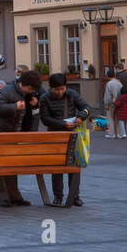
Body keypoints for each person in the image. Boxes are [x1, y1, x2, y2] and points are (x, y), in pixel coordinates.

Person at [0, 69, 43, 206]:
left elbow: (30, 114)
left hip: (10, 133)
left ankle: (14, 195)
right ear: (25, 85)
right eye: (30, 89)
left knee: (10, 165)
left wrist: (34, 105)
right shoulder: (6, 91)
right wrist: (14, 106)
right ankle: (2, 197)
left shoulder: (25, 94)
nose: (30, 91)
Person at [39, 74, 89, 205]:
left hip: (72, 135)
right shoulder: (44, 98)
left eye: (62, 89)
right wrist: (62, 124)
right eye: (57, 89)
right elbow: (45, 119)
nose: (60, 92)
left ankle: (74, 196)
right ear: (51, 88)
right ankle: (58, 196)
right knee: (57, 168)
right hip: (55, 135)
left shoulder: (72, 94)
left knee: (73, 166)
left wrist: (81, 117)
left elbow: (86, 108)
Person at [103, 69, 122, 138]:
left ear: (108, 76)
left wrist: (106, 103)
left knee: (110, 118)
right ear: (114, 75)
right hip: (119, 102)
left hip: (111, 102)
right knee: (118, 118)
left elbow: (107, 95)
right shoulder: (119, 83)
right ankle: (119, 133)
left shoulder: (109, 84)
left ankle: (112, 133)